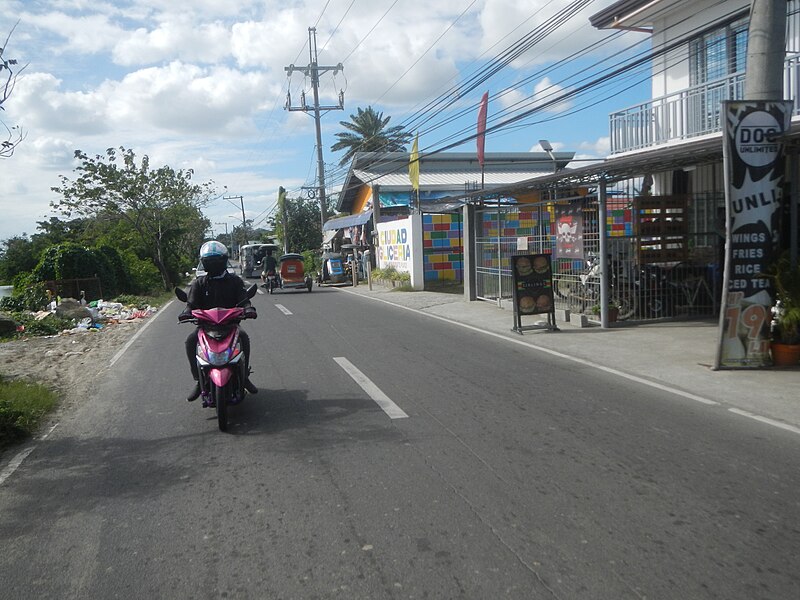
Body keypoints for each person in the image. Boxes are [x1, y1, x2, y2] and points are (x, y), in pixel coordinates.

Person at [180, 241, 258, 402]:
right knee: (190, 341)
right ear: (204, 263)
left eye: (217, 261)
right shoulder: (199, 283)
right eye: (209, 261)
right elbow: (191, 303)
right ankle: (197, 380)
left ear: (223, 261)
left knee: (243, 337)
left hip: (230, 325)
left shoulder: (235, 281)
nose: (214, 265)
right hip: (206, 326)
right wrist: (186, 312)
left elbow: (244, 300)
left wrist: (249, 309)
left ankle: (244, 377)